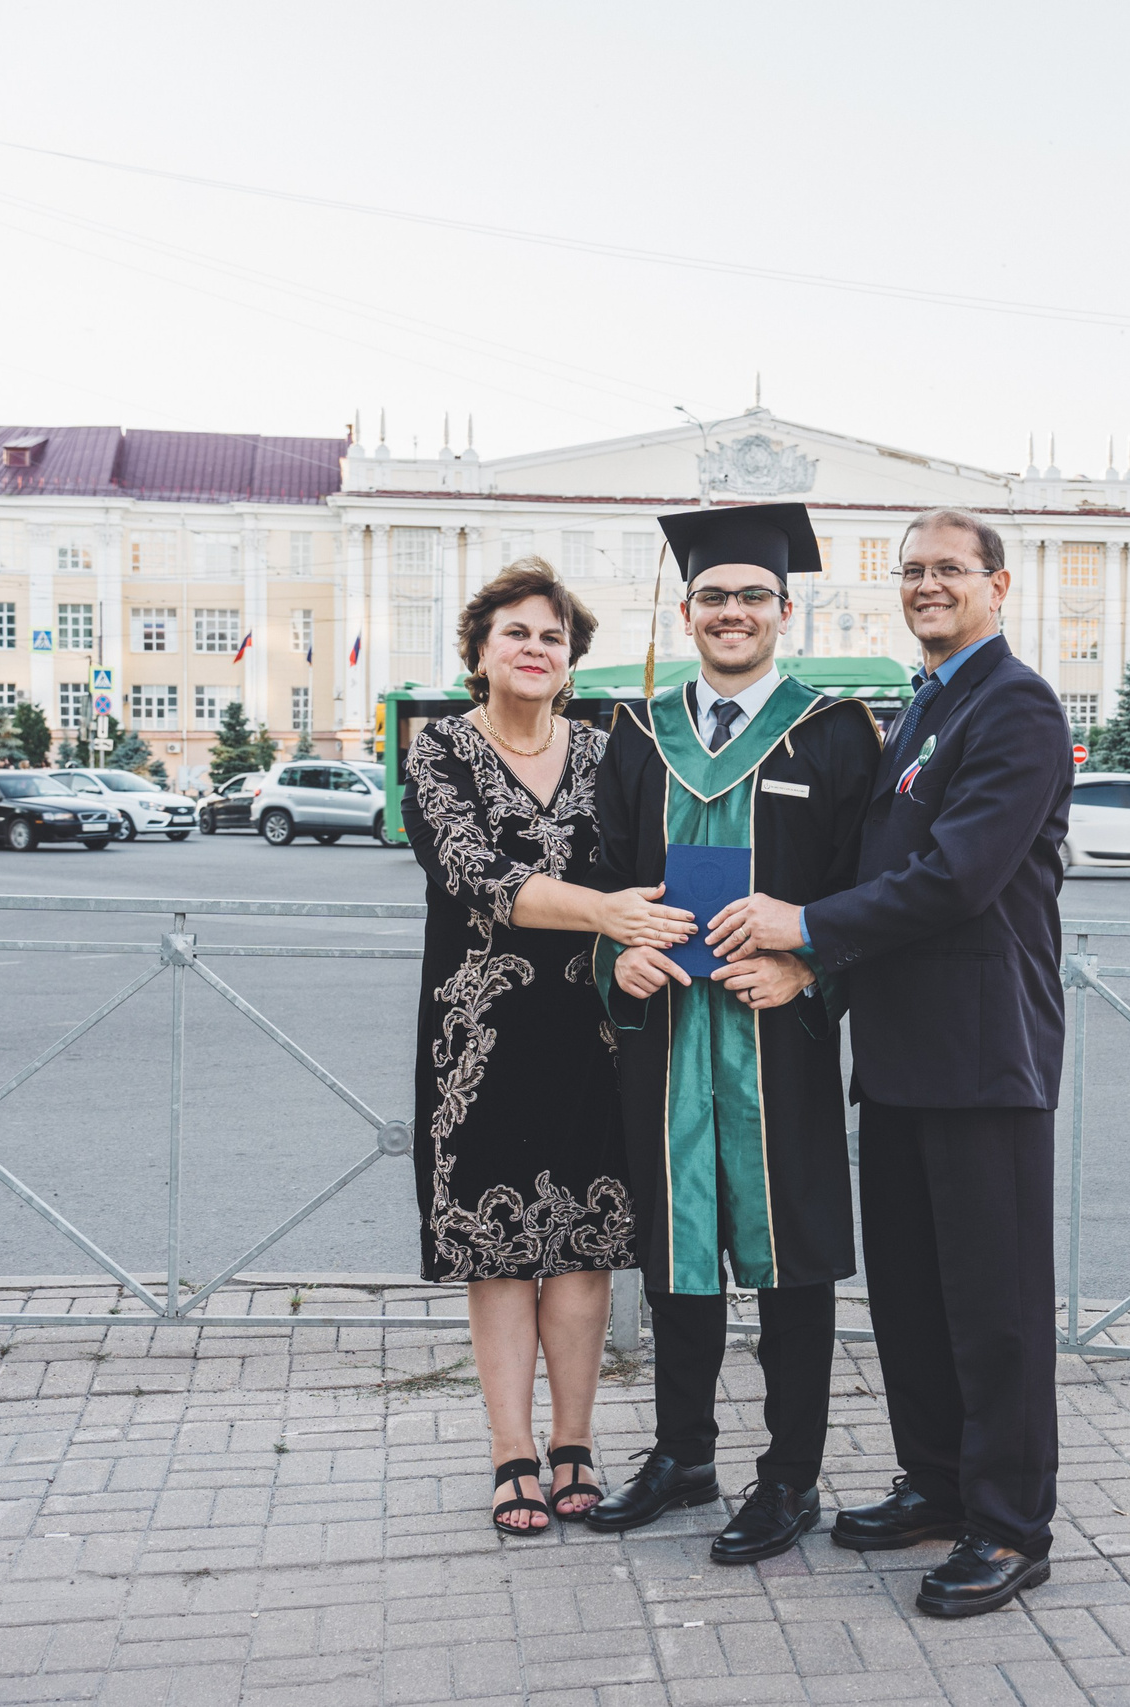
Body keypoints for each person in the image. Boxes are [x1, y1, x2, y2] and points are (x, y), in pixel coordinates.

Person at [708, 506, 1071, 1618]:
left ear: (996, 587)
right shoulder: (923, 705)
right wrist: (822, 966)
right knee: (914, 1295)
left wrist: (800, 932)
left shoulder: (1015, 707)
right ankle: (936, 1484)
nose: (926, 586)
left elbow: (955, 878)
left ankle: (1009, 1528)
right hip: (906, 1053)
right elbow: (880, 860)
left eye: (948, 570)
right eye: (912, 571)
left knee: (996, 1305)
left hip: (983, 1052)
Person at [582, 502, 883, 1564]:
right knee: (678, 1262)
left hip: (778, 1045)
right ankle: (682, 1454)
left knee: (789, 1264)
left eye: (753, 596)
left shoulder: (835, 733)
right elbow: (603, 885)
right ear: (686, 609)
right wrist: (614, 955)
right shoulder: (634, 736)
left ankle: (789, 1476)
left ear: (784, 612)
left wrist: (808, 967)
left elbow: (873, 891)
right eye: (714, 596)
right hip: (665, 1044)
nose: (732, 613)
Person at [400, 560, 697, 1538]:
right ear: (479, 651)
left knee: (584, 1243)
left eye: (553, 637)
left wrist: (649, 928)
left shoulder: (612, 747)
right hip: (479, 1040)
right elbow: (474, 872)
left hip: (593, 1030)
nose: (536, 648)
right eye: (517, 632)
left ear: (570, 662)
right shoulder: (438, 747)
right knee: (498, 1248)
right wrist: (606, 912)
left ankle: (574, 1443)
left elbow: (651, 861)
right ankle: (510, 1453)